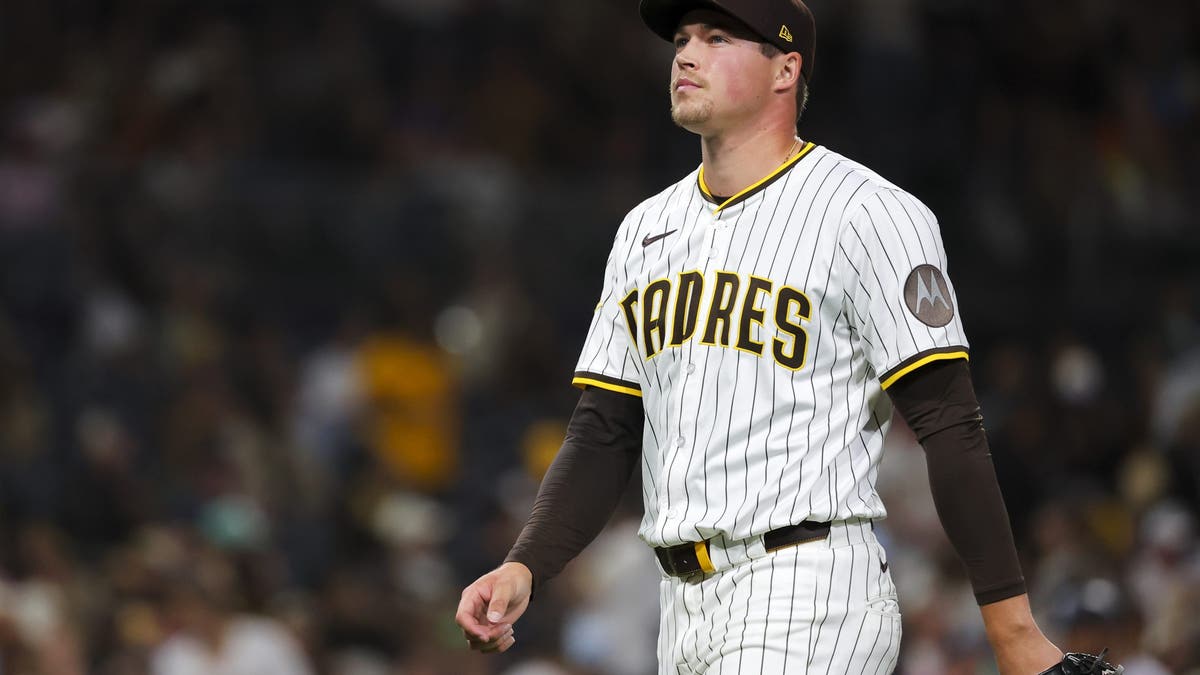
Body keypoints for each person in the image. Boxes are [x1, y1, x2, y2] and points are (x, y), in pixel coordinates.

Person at [457, 0, 1066, 672]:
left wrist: (1012, 630)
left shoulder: (869, 212)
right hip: (680, 606)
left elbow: (951, 423)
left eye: (717, 37)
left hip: (808, 586)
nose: (686, 54)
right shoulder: (643, 231)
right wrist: (526, 566)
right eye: (683, 38)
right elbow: (603, 428)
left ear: (785, 69)